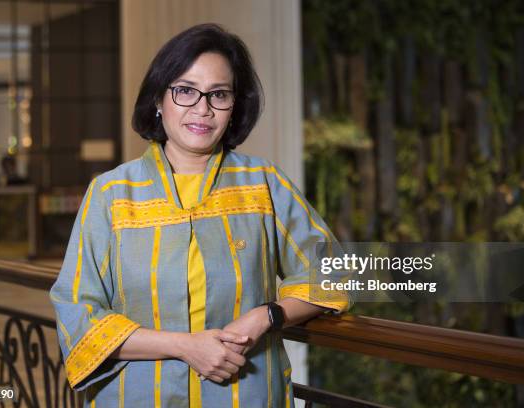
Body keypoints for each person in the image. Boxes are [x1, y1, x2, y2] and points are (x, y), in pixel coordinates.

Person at [50, 23, 351, 408]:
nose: (202, 109)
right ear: (159, 99)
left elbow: (337, 270)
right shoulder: (111, 194)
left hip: (248, 397)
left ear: (234, 106)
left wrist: (267, 315)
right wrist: (185, 347)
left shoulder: (262, 184)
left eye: (219, 94)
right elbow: (78, 316)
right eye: (186, 90)